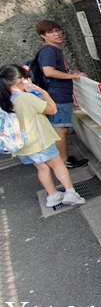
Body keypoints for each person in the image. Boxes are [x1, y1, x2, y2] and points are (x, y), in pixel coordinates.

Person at [0, 64, 85, 206]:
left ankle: (53, 196)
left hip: (22, 144)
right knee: (58, 164)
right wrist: (41, 91)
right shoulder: (25, 98)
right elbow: (52, 110)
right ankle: (70, 193)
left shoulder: (5, 101)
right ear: (21, 79)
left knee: (42, 168)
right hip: (40, 140)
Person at [34, 20, 88, 169]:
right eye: (51, 32)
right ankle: (64, 162)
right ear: (43, 36)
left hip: (58, 94)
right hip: (57, 95)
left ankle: (63, 159)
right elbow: (49, 71)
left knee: (60, 128)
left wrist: (71, 74)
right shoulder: (49, 51)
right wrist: (73, 77)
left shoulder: (53, 50)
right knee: (60, 129)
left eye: (57, 30)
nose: (56, 34)